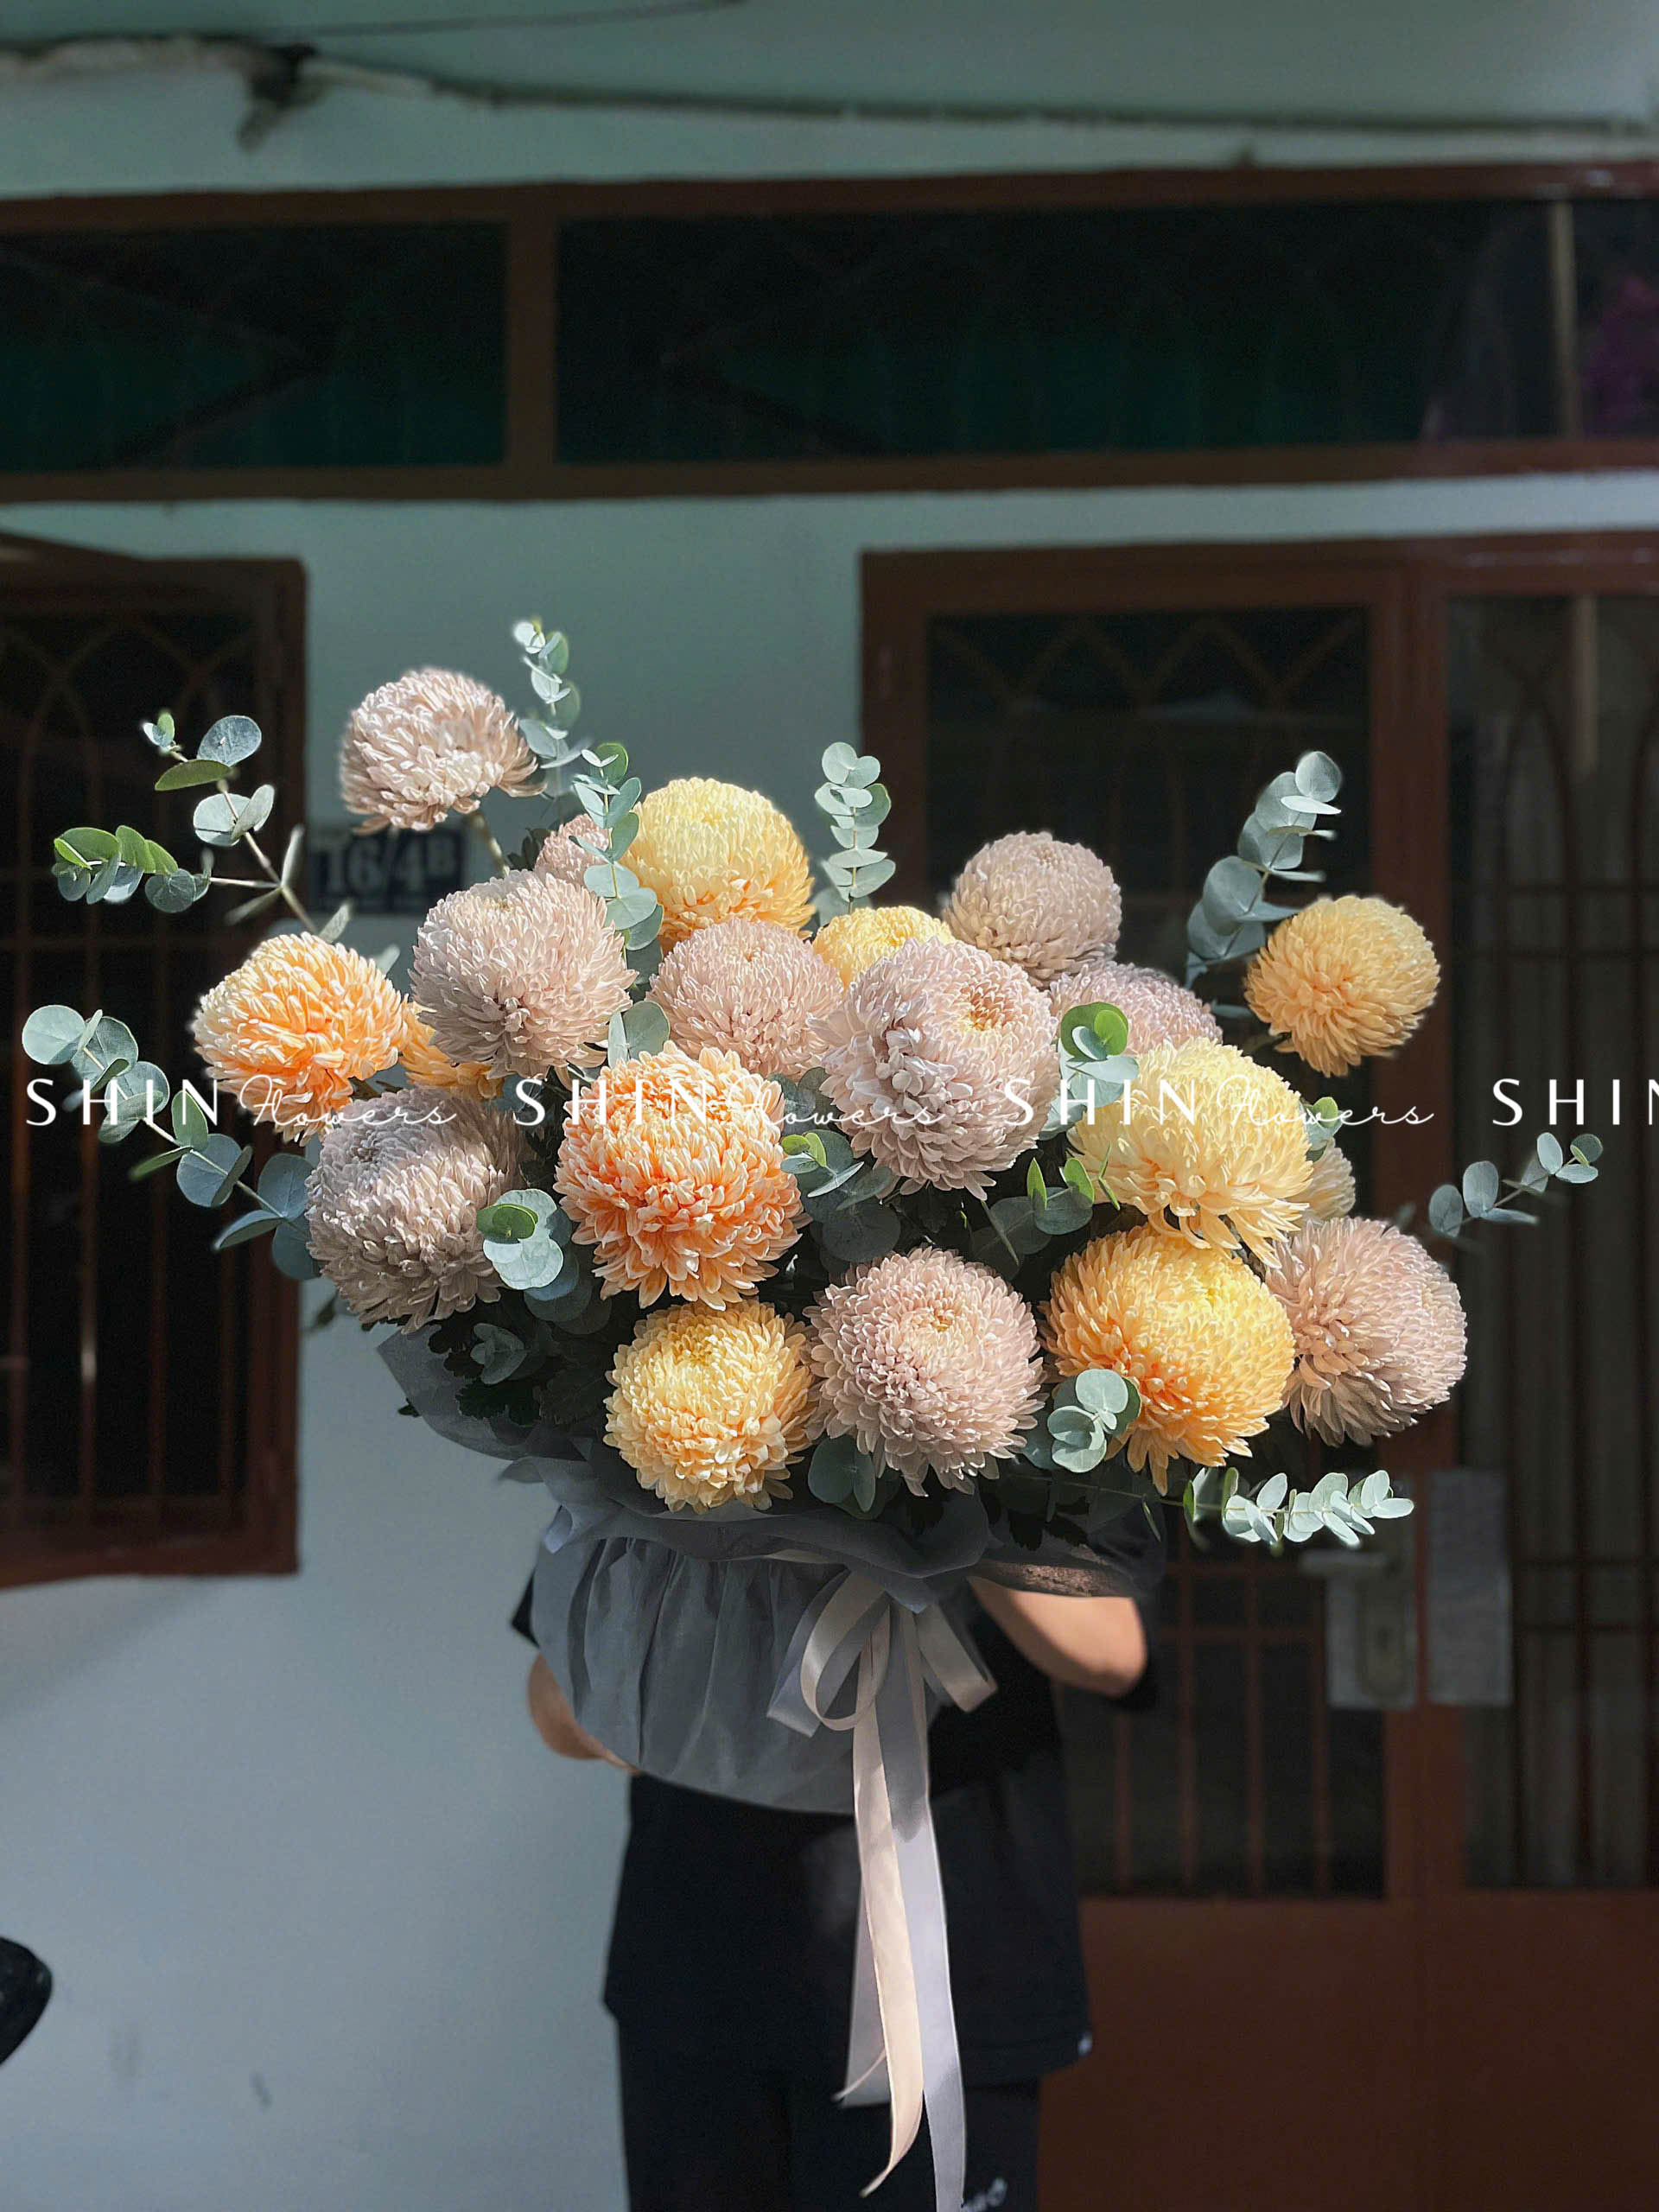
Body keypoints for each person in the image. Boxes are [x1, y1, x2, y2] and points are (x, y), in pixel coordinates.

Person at [515, 1557, 1159, 2212]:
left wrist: (958, 1521)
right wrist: (655, 1704)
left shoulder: (1022, 1488)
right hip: (698, 1964)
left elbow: (1119, 1652)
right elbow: (552, 1698)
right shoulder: (650, 1494)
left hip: (949, 1968)